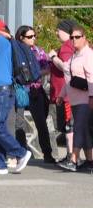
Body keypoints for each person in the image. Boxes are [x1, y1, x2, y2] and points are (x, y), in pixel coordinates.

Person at [0, 19, 32, 175]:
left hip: (1, 92)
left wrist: (1, 33)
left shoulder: (3, 43)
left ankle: (21, 152)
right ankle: (0, 164)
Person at [50, 25, 93, 172]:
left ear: (84, 38)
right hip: (75, 99)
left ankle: (73, 159)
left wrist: (92, 97)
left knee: (79, 128)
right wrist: (62, 95)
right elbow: (68, 78)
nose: (74, 40)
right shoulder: (75, 55)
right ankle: (89, 160)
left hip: (85, 99)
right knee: (85, 130)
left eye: (77, 37)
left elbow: (91, 77)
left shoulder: (88, 55)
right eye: (72, 37)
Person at [16, 24, 54, 163]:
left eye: (34, 36)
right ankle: (19, 152)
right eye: (30, 36)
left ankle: (47, 154)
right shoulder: (16, 52)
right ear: (21, 38)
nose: (33, 38)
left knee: (41, 123)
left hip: (36, 91)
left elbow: (47, 68)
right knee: (18, 122)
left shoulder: (38, 51)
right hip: (20, 90)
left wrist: (34, 74)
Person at [49, 20, 76, 166]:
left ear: (66, 31)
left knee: (68, 126)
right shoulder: (72, 46)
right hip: (69, 93)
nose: (56, 32)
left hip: (66, 95)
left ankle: (71, 157)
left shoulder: (66, 48)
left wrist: (53, 57)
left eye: (58, 30)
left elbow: (66, 67)